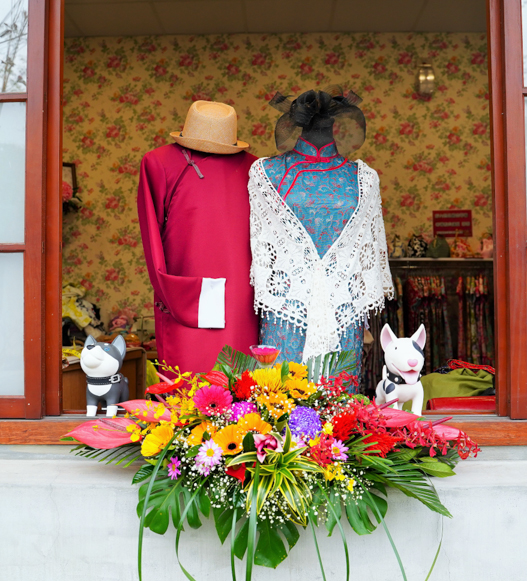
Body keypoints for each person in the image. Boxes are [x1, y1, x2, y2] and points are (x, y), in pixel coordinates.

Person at [248, 87, 393, 379]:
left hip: (343, 313)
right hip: (286, 313)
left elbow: (368, 258)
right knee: (280, 405)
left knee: (340, 413)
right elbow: (262, 250)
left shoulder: (364, 179)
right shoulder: (264, 174)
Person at [137, 101, 259, 374]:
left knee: (239, 386)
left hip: (242, 295)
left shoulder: (257, 169)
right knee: (186, 387)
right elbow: (152, 237)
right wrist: (168, 289)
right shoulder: (158, 162)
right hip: (186, 288)